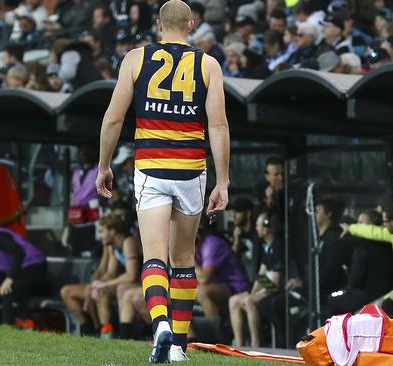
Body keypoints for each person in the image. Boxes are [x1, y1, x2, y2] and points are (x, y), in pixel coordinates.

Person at [96, 0, 230, 362]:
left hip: (151, 168)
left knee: (154, 257)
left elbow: (113, 118)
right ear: (190, 24)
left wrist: (103, 164)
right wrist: (224, 181)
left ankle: (161, 326)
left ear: (158, 25)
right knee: (183, 259)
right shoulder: (209, 65)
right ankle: (179, 348)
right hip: (191, 170)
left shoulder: (135, 59)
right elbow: (217, 125)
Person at [340, 204, 393, 317]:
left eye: (385, 222)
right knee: (364, 313)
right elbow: (373, 231)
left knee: (371, 314)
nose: (383, 225)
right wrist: (351, 228)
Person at [328, 209, 393, 315]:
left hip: (368, 296)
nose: (358, 226)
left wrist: (348, 275)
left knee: (332, 299)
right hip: (389, 293)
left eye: (361, 223)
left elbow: (356, 281)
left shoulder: (362, 248)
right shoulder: (392, 243)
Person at [229, 212, 282, 348]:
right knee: (234, 301)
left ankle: (255, 345)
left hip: (277, 293)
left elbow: (274, 284)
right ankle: (239, 346)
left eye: (258, 225)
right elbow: (261, 276)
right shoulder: (266, 246)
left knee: (249, 301)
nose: (256, 228)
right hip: (266, 290)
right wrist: (253, 293)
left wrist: (253, 297)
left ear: (266, 228)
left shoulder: (278, 247)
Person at [89, 214, 141, 339]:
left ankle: (125, 334)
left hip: (142, 281)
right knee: (102, 291)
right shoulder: (113, 246)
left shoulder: (128, 242)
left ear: (112, 231)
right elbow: (111, 273)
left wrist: (105, 283)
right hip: (131, 282)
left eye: (102, 231)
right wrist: (97, 285)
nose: (100, 236)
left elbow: (132, 275)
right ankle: (106, 332)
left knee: (121, 288)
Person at [195, 218, 250, 318]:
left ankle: (215, 331)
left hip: (236, 286)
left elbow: (204, 279)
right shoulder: (197, 248)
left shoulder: (211, 244)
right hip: (218, 285)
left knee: (201, 292)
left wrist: (188, 258)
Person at [229, 197, 259, 280]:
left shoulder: (257, 234)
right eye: (233, 212)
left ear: (248, 213)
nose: (234, 216)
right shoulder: (237, 234)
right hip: (241, 280)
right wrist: (236, 241)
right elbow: (230, 262)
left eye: (237, 212)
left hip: (257, 280)